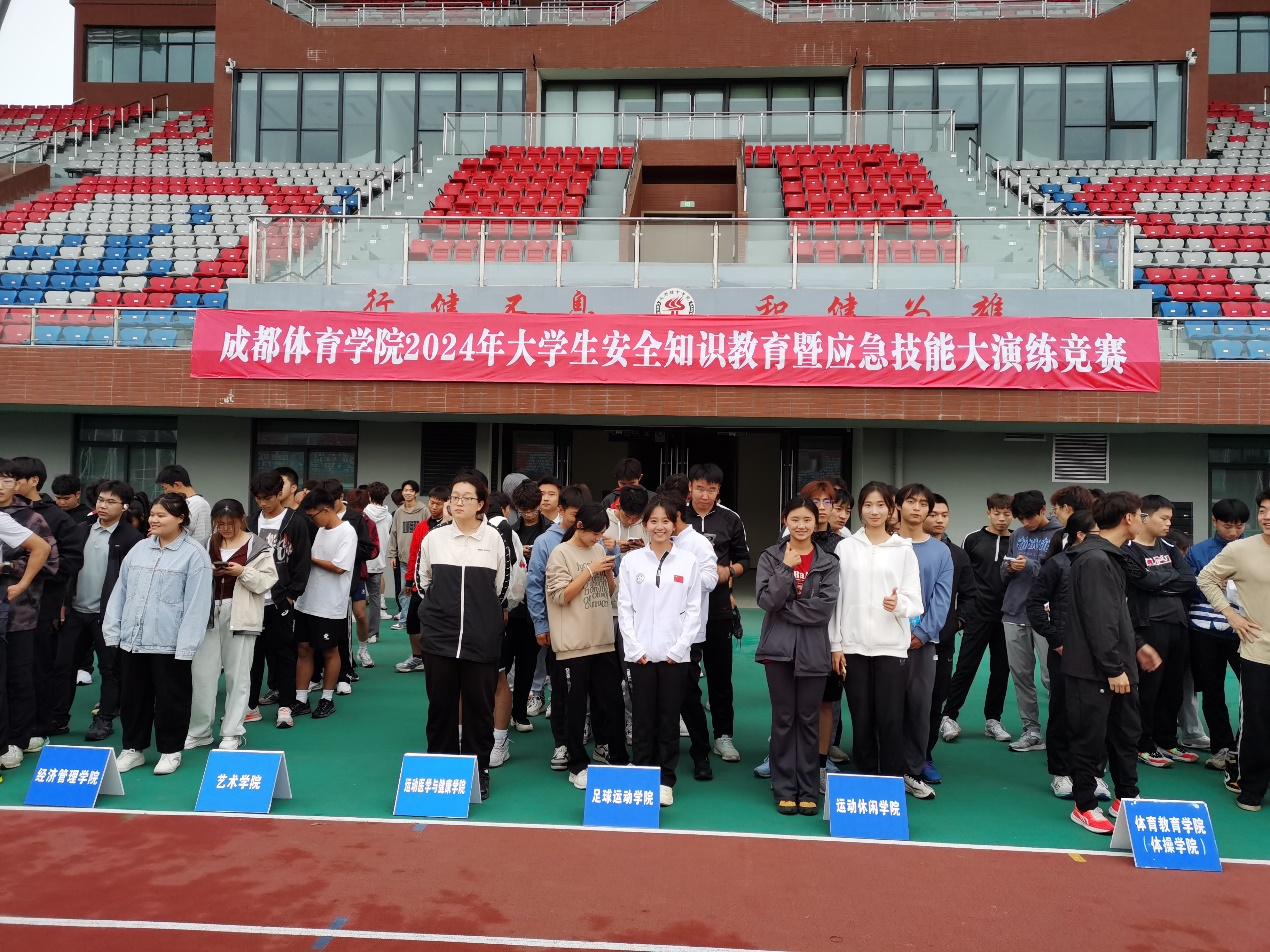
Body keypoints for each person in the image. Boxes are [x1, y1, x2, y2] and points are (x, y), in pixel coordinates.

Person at [104, 493, 214, 776]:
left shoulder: (194, 555)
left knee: (171, 699)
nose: (153, 519)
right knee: (133, 698)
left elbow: (197, 604)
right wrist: (113, 630)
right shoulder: (139, 549)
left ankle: (170, 750)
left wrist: (186, 646)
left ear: (180, 519)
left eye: (161, 515)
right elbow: (120, 591)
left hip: (170, 643)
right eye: (152, 514)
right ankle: (133, 749)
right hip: (133, 640)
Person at [416, 472, 509, 802]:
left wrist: (480, 617)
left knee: (478, 709)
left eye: (466, 498)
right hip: (439, 638)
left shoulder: (494, 539)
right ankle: (440, 770)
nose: (458, 503)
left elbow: (502, 589)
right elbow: (423, 583)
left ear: (481, 503)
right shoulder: (434, 539)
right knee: (440, 706)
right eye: (454, 497)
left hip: (481, 638)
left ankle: (477, 771)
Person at [1064, 491, 1151, 834]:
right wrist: (1113, 667)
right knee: (1090, 739)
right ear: (1128, 518)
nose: (1142, 521)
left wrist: (1136, 648)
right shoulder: (1095, 559)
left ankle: (1126, 797)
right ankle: (1084, 805)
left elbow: (1116, 616)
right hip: (1095, 670)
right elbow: (1098, 619)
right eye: (1141, 515)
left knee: (1125, 734)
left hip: (1117, 664)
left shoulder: (1110, 556)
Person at [830, 481, 923, 780]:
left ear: (891, 508)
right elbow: (836, 600)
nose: (874, 511)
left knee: (891, 718)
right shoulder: (845, 548)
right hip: (853, 647)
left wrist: (898, 604)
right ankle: (866, 780)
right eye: (868, 505)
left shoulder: (904, 550)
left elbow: (915, 601)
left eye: (881, 505)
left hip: (891, 647)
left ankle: (892, 781)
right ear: (860, 509)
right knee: (862, 718)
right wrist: (836, 644)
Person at [755, 496, 840, 816]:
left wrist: (785, 609)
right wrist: (785, 569)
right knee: (783, 718)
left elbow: (823, 610)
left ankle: (808, 787)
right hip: (778, 650)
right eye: (795, 519)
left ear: (816, 522)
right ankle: (784, 787)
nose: (801, 526)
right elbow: (767, 601)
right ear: (785, 521)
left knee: (808, 719)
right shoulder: (771, 557)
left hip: (814, 651)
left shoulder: (828, 562)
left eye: (807, 520)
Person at [618, 494, 702, 808]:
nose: (659, 527)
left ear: (675, 523)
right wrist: (634, 647)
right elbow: (624, 608)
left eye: (666, 521)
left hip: (674, 657)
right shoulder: (632, 561)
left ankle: (666, 779)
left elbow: (694, 610)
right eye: (653, 521)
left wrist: (679, 648)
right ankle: (642, 774)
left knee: (668, 719)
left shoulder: (688, 561)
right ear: (645, 524)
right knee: (642, 718)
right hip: (639, 656)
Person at [1027, 511, 1113, 802]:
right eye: (1098, 532)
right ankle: (1061, 772)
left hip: (1101, 652)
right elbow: (1035, 603)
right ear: (1081, 535)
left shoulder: (1109, 561)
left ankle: (1094, 774)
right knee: (1064, 711)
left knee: (1098, 716)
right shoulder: (1057, 564)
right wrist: (1056, 639)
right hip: (1065, 651)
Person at [546, 502, 629, 789]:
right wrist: (591, 570)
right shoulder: (560, 553)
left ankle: (619, 758)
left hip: (603, 640)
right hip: (574, 644)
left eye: (601, 533)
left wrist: (607, 571)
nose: (598, 538)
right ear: (579, 526)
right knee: (575, 707)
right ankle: (577, 765)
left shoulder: (598, 550)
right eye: (595, 533)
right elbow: (561, 596)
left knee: (613, 703)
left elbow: (610, 592)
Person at [1197, 490, 1270, 811]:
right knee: (1256, 722)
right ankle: (1251, 785)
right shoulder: (1241, 549)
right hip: (1258, 651)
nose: (1267, 516)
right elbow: (1206, 578)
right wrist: (1231, 615)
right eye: (1263, 510)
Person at [53, 480, 142, 741]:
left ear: (124, 506)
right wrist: (63, 602)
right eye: (101, 499)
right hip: (75, 611)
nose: (103, 505)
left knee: (110, 670)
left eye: (111, 501)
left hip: (108, 616)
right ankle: (58, 718)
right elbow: (67, 569)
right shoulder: (81, 529)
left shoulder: (131, 538)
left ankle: (104, 720)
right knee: (63, 667)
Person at [187, 499, 278, 752]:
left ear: (242, 519)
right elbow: (191, 576)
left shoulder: (258, 546)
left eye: (231, 523)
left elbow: (267, 581)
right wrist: (210, 572)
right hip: (207, 615)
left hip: (241, 614)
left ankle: (232, 732)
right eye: (221, 524)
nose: (226, 528)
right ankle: (199, 731)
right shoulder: (206, 543)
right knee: (202, 675)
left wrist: (241, 572)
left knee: (238, 676)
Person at [12, 457, 83, 749]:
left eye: (14, 479)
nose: (7, 485)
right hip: (7, 607)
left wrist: (28, 573)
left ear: (33, 481)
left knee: (37, 668)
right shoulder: (6, 514)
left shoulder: (56, 517)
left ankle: (38, 727)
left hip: (40, 606)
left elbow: (71, 560)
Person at [1123, 495, 1197, 768]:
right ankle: (1143, 744)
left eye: (1170, 519)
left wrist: (1158, 583)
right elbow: (1141, 580)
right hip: (1148, 626)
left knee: (1173, 688)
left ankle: (1166, 741)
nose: (1169, 524)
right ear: (1144, 517)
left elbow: (1187, 580)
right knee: (1148, 689)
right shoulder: (1128, 549)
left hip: (1178, 624)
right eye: (1163, 518)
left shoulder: (1169, 547)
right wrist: (1162, 580)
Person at [686, 462, 751, 764]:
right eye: (700, 488)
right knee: (684, 675)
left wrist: (729, 572)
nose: (705, 495)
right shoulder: (677, 516)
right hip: (681, 612)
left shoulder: (730, 518)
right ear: (690, 487)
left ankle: (723, 735)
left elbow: (744, 559)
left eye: (711, 490)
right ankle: (687, 726)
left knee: (720, 677)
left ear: (718, 491)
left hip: (719, 608)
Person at [526, 484, 591, 769]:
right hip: (559, 629)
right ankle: (562, 744)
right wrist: (541, 624)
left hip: (590, 630)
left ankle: (592, 736)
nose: (581, 523)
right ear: (561, 510)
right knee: (562, 690)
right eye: (575, 516)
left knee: (591, 688)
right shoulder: (545, 542)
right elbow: (534, 586)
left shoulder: (595, 539)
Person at [0, 458, 59, 770]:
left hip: (20, 611)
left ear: (20, 483)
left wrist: (10, 569)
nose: (1, 486)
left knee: (19, 678)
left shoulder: (32, 518)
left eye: (7, 480)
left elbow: (51, 562)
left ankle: (17, 740)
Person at [894, 484, 952, 800]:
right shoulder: (885, 544)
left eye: (922, 503)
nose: (916, 508)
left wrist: (922, 634)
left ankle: (912, 771)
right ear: (898, 505)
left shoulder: (940, 551)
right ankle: (882, 770)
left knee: (919, 707)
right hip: (883, 641)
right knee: (884, 707)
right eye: (910, 501)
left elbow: (942, 599)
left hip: (922, 643)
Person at [941, 494, 1014, 744]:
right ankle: (949, 716)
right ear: (988, 513)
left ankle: (993, 720)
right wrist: (962, 612)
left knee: (1001, 670)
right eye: (997, 513)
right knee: (966, 666)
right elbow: (962, 577)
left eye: (1007, 514)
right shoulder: (972, 539)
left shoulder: (1017, 540)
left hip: (1006, 617)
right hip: (977, 615)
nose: (1002, 518)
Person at [1187, 498, 1250, 776]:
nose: (1234, 532)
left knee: (1252, 690)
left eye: (1239, 526)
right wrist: (1210, 584)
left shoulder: (1255, 548)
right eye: (1227, 526)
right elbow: (1188, 586)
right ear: (1214, 521)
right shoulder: (1198, 551)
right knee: (1212, 691)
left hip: (1244, 630)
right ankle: (1222, 748)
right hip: (1205, 631)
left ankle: (1245, 745)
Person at [997, 489, 1062, 754]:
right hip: (1014, 612)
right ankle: (1031, 731)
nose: (1026, 522)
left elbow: (1061, 573)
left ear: (1043, 509)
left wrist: (1030, 565)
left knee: (1052, 677)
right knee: (1021, 676)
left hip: (1047, 615)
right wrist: (1008, 567)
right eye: (1021, 518)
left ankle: (1061, 732)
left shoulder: (1060, 534)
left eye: (1030, 517)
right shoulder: (1018, 535)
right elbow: (1003, 574)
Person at [662, 483, 718, 782]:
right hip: (656, 633)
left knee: (688, 694)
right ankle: (658, 754)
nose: (658, 526)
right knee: (657, 695)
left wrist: (680, 572)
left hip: (688, 634)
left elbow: (710, 579)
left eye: (663, 519)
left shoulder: (697, 544)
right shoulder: (657, 542)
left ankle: (701, 753)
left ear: (676, 516)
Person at [249, 470, 311, 730]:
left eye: (268, 497)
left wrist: (292, 594)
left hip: (281, 600)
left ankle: (285, 706)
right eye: (258, 498)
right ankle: (250, 706)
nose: (263, 503)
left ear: (279, 494)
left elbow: (302, 560)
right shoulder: (251, 522)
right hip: (253, 599)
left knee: (284, 653)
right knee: (251, 657)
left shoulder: (295, 522)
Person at [921, 494, 976, 785]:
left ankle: (924, 756)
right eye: (934, 514)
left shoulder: (957, 554)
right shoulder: (902, 549)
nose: (939, 520)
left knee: (934, 699)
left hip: (942, 641)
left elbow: (969, 595)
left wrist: (957, 622)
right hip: (903, 640)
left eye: (944, 514)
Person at [292, 489, 357, 721]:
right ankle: (301, 699)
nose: (311, 520)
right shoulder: (320, 530)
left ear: (326, 510)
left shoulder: (347, 531)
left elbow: (339, 566)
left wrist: (306, 558)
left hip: (330, 604)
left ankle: (327, 699)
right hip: (306, 601)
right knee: (304, 648)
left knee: (330, 650)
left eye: (313, 515)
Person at [506, 480, 547, 729]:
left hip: (538, 608)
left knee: (528, 664)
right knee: (504, 663)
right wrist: (519, 553)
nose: (529, 514)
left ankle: (520, 713)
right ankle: (500, 712)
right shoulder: (509, 531)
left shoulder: (551, 531)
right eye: (523, 510)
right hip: (512, 608)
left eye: (532, 509)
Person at [388, 480, 425, 625]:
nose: (408, 493)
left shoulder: (424, 510)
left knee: (422, 590)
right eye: (405, 490)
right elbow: (394, 533)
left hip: (422, 560)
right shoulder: (398, 512)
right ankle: (404, 621)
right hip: (404, 560)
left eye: (411, 490)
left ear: (416, 493)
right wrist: (392, 554)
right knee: (405, 590)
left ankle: (420, 621)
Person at [364, 481, 393, 644]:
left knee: (354, 597)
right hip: (377, 561)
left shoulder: (363, 513)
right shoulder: (388, 516)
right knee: (375, 599)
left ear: (369, 495)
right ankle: (373, 633)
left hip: (361, 562)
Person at [157, 464, 212, 545]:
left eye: (165, 488)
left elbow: (178, 531)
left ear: (177, 485)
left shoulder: (194, 503)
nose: (165, 493)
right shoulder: (196, 502)